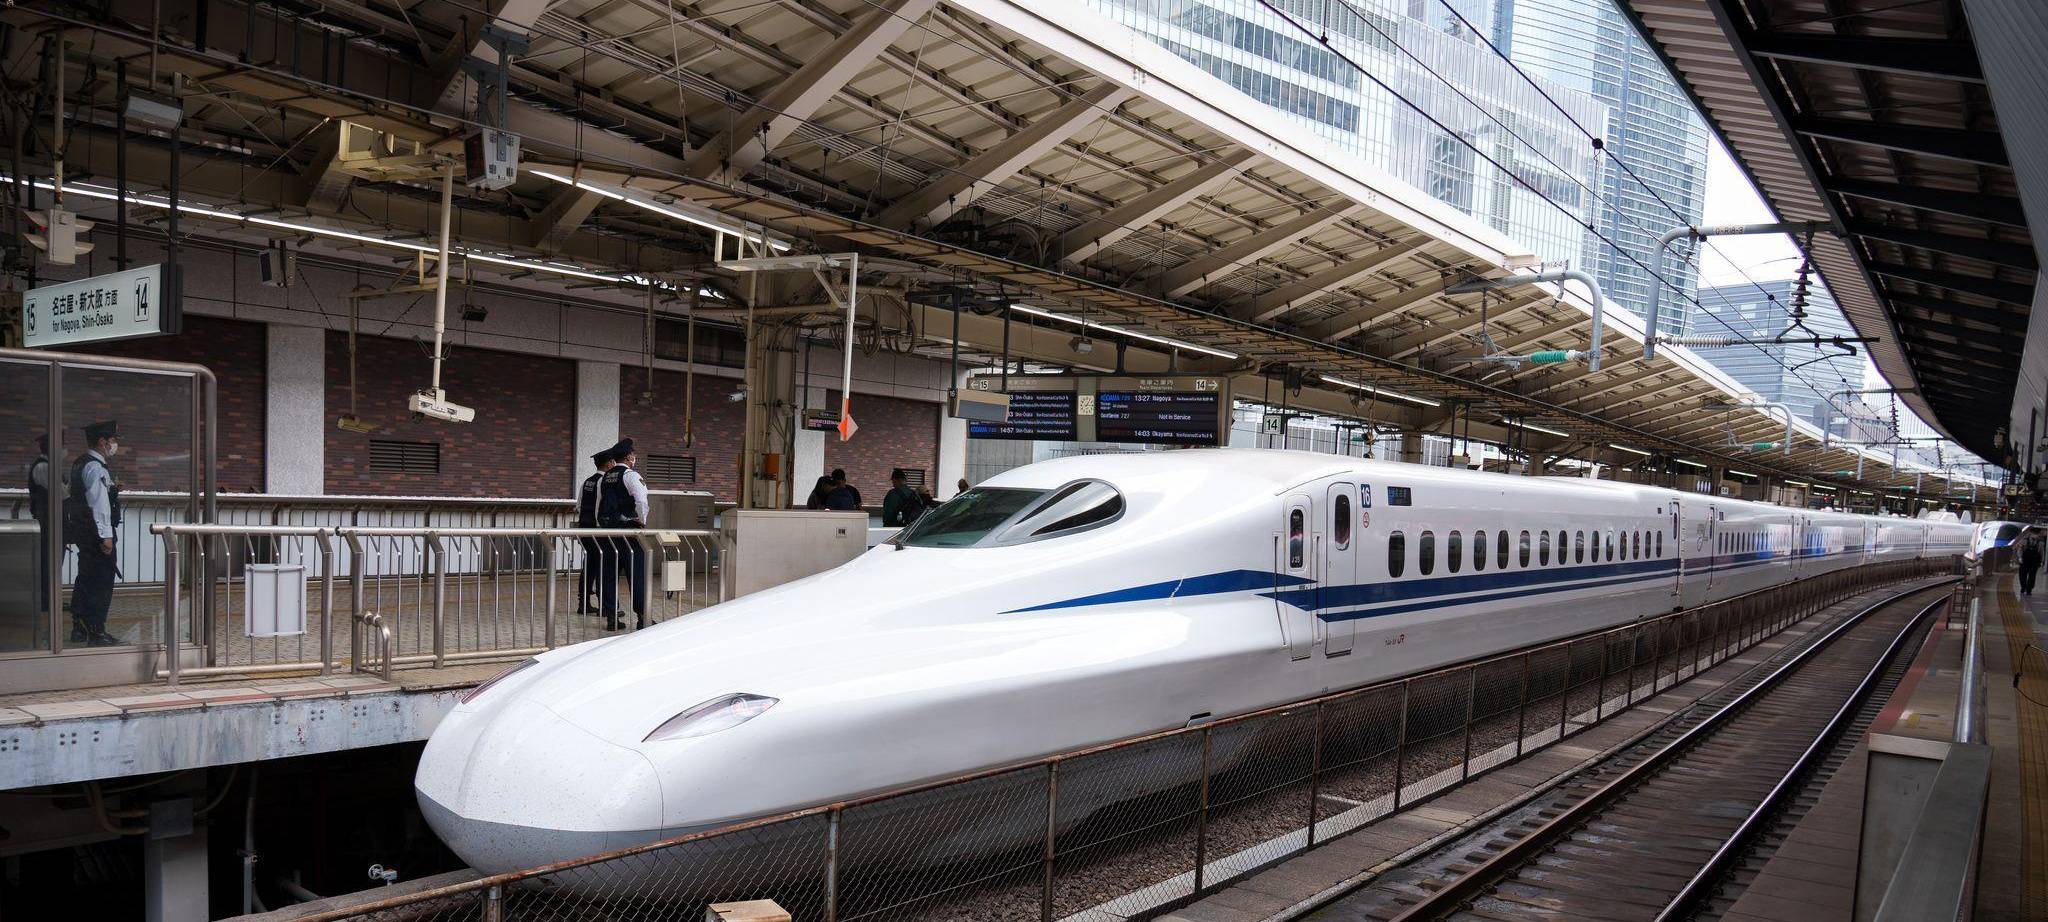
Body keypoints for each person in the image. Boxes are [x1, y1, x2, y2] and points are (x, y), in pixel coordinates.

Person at [62, 421, 122, 646]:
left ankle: (79, 627)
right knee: (101, 581)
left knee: (85, 577)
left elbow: (73, 496)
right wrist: (106, 536)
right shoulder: (96, 468)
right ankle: (97, 630)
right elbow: (99, 505)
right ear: (102, 441)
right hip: (96, 534)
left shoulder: (79, 464)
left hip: (83, 532)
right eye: (113, 440)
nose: (114, 445)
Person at [595, 438, 650, 631]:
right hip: (629, 532)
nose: (634, 457)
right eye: (633, 454)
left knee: (609, 575)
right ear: (628, 457)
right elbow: (642, 502)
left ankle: (612, 618)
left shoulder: (605, 478)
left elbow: (598, 506)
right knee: (637, 575)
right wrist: (641, 522)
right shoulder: (631, 476)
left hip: (609, 533)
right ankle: (643, 617)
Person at [575, 448, 615, 616]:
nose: (614, 464)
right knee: (602, 567)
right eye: (612, 461)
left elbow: (578, 506)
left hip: (584, 529)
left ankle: (583, 603)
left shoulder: (587, 481)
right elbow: (601, 506)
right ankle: (604, 606)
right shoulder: (602, 482)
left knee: (589, 566)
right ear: (608, 464)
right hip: (598, 531)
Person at [25, 434, 54, 617]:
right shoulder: (43, 467)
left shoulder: (47, 465)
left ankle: (49, 597)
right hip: (45, 521)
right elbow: (60, 492)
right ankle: (45, 600)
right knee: (46, 561)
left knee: (50, 561)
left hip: (48, 520)